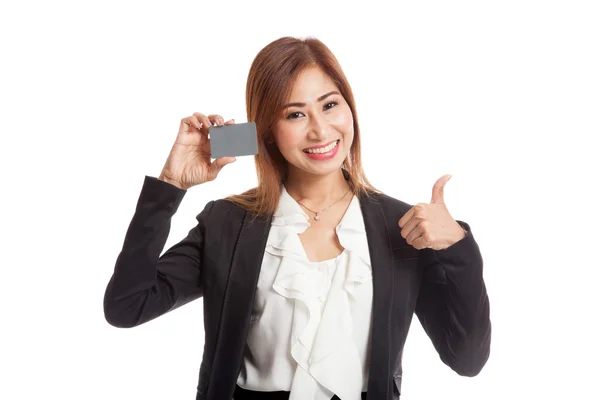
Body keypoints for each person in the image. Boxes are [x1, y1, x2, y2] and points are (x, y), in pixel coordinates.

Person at [103, 36, 491, 400]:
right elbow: (127, 307)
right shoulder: (228, 222)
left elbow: (467, 360)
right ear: (267, 131)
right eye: (294, 114)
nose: (320, 129)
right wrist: (169, 187)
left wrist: (457, 248)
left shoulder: (404, 227)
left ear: (349, 108)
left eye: (329, 104)